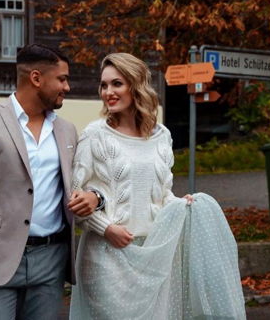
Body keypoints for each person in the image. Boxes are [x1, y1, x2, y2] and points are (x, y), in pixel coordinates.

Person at [69, 53, 245, 319]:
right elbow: (75, 199)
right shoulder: (95, 135)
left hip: (153, 254)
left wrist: (179, 204)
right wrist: (107, 229)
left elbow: (161, 195)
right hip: (105, 255)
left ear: (136, 85)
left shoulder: (162, 136)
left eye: (117, 84)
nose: (108, 92)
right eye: (103, 85)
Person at [0, 44, 100, 320]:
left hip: (51, 261)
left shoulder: (67, 130)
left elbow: (83, 182)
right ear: (36, 78)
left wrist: (93, 196)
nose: (67, 87)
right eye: (62, 79)